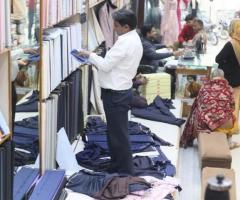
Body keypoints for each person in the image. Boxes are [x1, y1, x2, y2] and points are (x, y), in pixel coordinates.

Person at [78, 9, 143, 175]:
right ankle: (117, 166)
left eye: (116, 25)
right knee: (116, 133)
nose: (113, 28)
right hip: (121, 91)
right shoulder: (133, 38)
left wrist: (90, 55)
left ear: (126, 27)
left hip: (116, 94)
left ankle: (125, 171)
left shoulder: (124, 42)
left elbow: (106, 65)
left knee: (118, 134)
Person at [180, 69, 238, 148]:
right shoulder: (229, 88)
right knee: (231, 115)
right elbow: (232, 107)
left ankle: (192, 139)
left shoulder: (204, 87)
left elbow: (197, 105)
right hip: (224, 124)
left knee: (195, 111)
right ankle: (229, 142)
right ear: (223, 77)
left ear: (212, 77)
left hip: (204, 125)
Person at [215, 19, 240, 148]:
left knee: (229, 109)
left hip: (230, 81)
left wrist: (227, 67)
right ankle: (229, 139)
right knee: (235, 109)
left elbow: (218, 59)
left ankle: (227, 139)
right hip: (238, 83)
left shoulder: (231, 44)